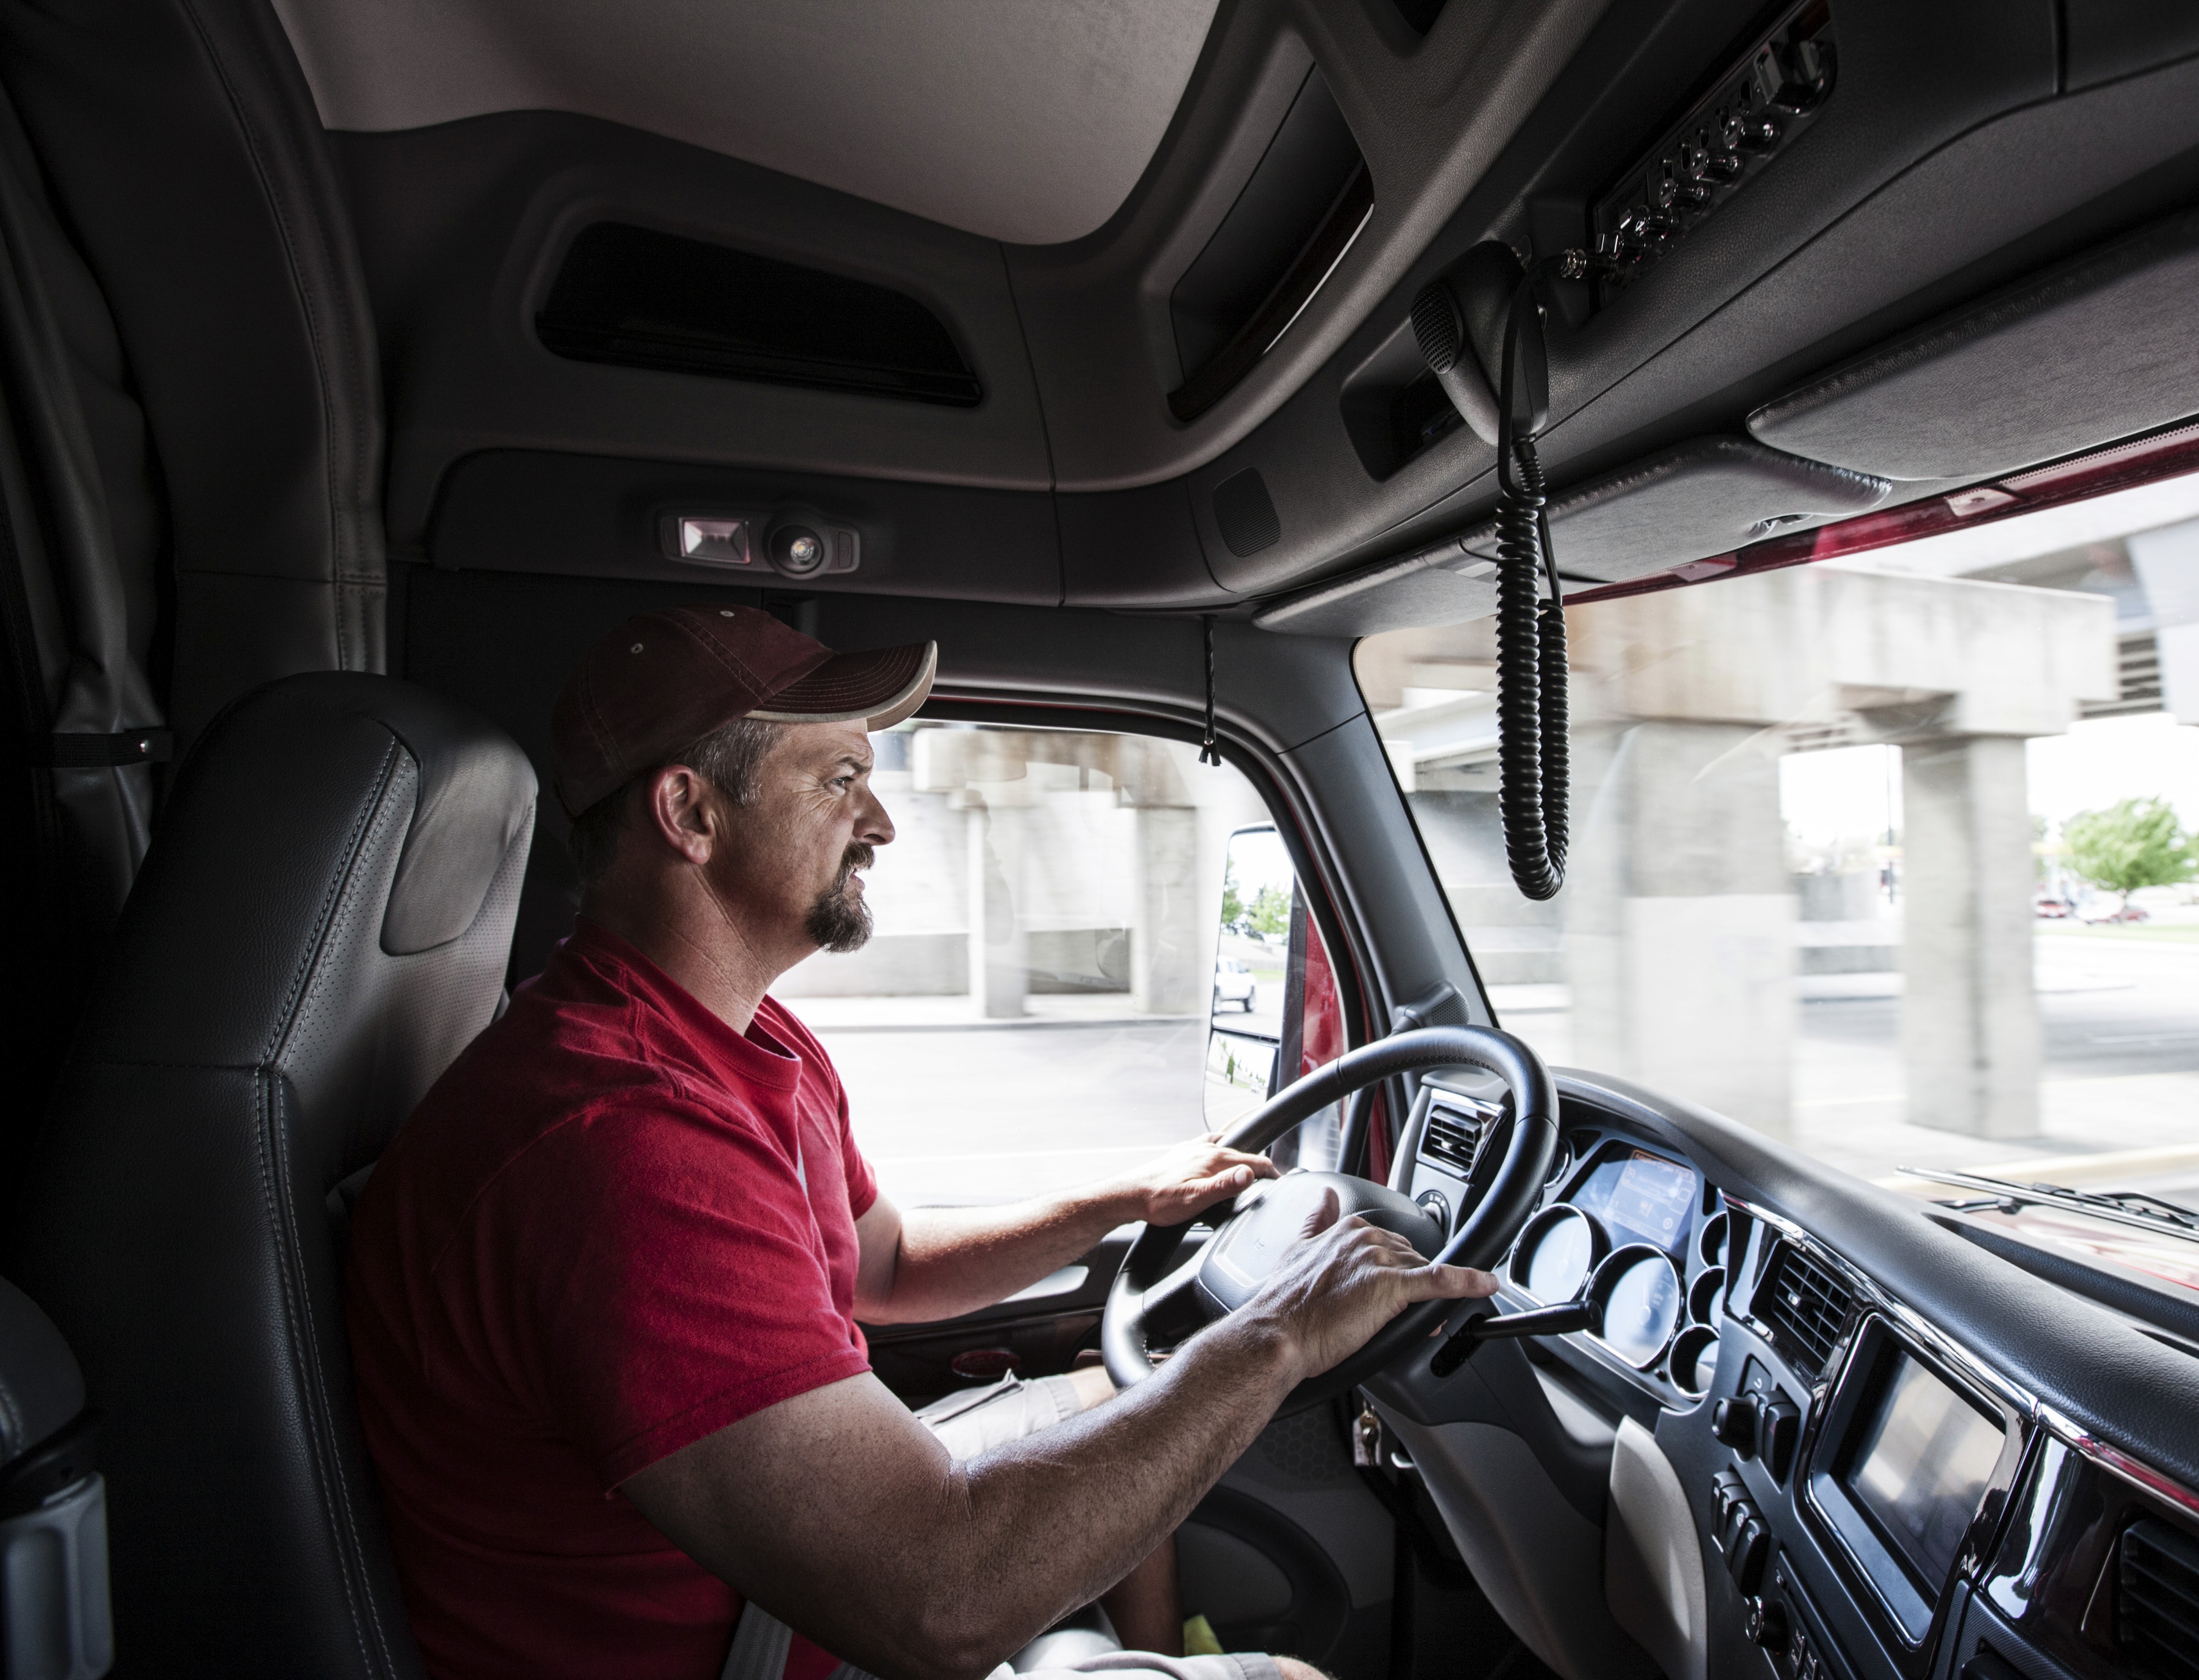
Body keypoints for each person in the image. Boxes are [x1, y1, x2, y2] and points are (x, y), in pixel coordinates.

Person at [344, 605, 1496, 1680]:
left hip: (782, 1588)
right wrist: (1280, 1335)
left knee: (1104, 1391)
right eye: (841, 777)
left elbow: (881, 1264)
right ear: (690, 813)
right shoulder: (622, 1147)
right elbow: (938, 1599)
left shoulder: (739, 1036)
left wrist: (1123, 1195)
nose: (883, 818)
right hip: (772, 1641)